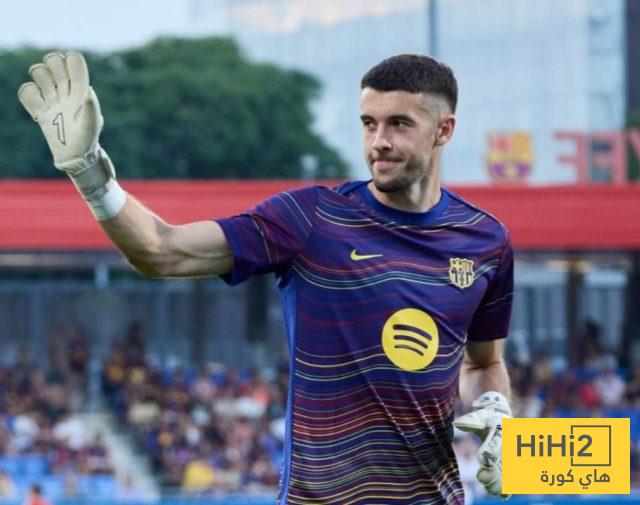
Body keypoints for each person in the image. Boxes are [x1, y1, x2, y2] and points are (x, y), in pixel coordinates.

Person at [19, 51, 514, 504]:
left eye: (399, 124)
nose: (379, 141)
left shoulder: (485, 242)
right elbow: (160, 251)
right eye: (369, 123)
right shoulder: (311, 218)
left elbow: (483, 362)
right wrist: (89, 172)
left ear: (443, 130)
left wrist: (495, 411)